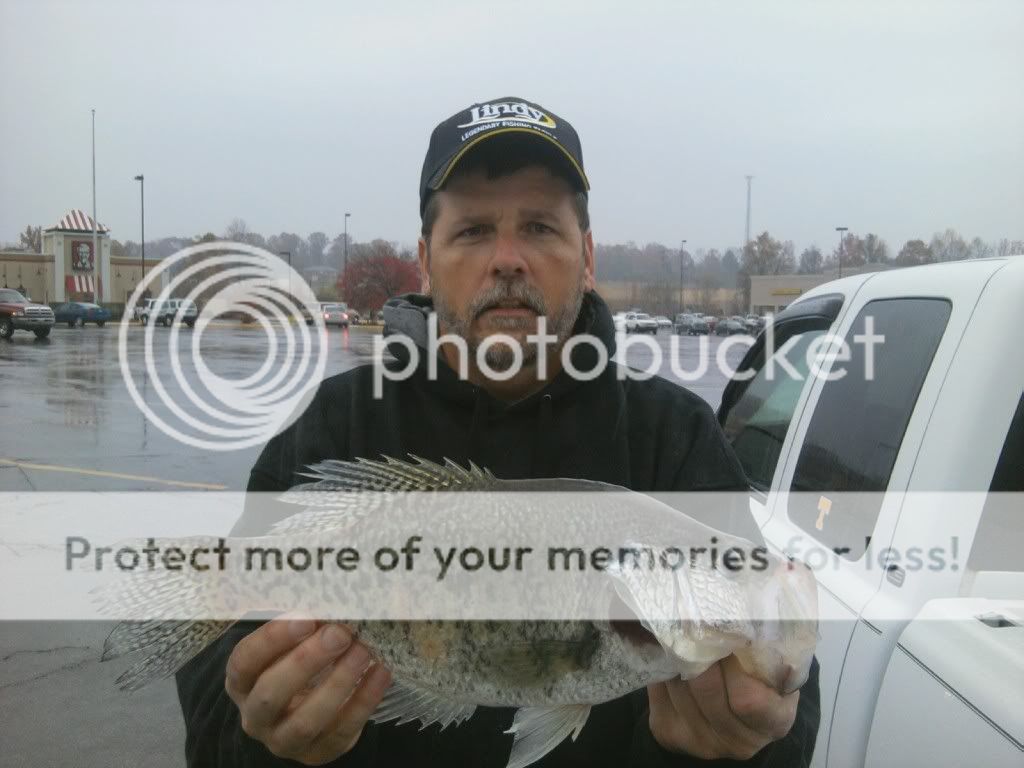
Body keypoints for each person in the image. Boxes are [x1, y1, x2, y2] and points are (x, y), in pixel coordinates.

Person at [176, 97, 820, 766]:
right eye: (474, 230)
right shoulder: (337, 425)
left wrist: (739, 745)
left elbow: (784, 704)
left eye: (540, 228)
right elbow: (216, 710)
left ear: (588, 255)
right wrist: (265, 742)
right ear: (425, 260)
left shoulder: (676, 437)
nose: (508, 259)